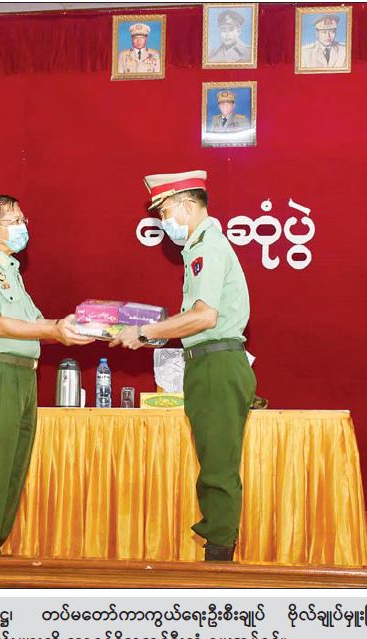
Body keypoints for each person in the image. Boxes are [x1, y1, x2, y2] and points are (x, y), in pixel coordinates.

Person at [110, 171, 256, 562]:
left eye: (165, 212)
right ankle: (218, 548)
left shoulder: (208, 247)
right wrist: (146, 331)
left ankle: (219, 563)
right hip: (208, 363)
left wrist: (145, 332)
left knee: (218, 467)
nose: (163, 222)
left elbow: (204, 317)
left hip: (217, 364)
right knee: (214, 462)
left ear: (188, 206)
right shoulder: (199, 248)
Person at [0, 195, 93, 555]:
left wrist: (75, 327)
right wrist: (54, 329)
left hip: (22, 376)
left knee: (12, 469)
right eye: (15, 222)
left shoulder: (10, 271)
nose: (23, 228)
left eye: (23, 221)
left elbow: (35, 323)